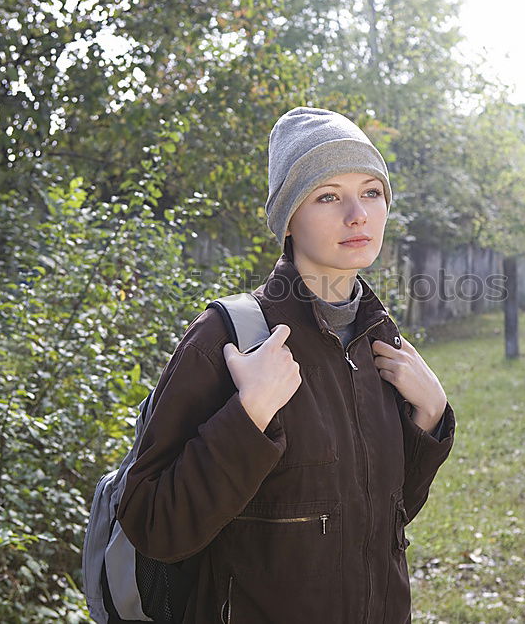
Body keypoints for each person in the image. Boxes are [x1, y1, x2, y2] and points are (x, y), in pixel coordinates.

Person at [115, 106, 456, 623]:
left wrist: (428, 418)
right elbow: (156, 526)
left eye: (370, 192)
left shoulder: (379, 341)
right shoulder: (227, 340)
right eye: (327, 196)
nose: (357, 214)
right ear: (289, 218)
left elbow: (382, 518)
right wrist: (247, 417)